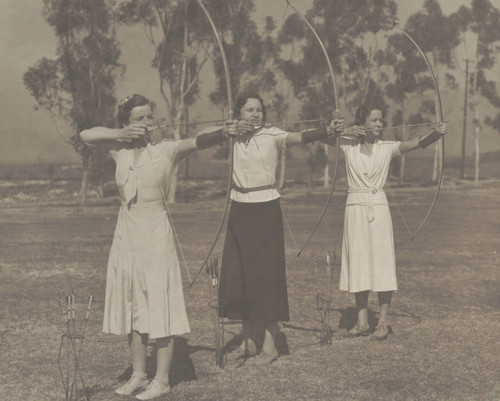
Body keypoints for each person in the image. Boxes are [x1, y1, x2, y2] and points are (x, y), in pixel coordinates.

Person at [80, 94, 237, 399]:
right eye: (139, 118)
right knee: (133, 303)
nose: (147, 123)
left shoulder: (166, 150)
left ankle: (162, 380)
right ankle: (139, 375)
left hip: (155, 233)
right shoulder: (118, 149)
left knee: (159, 305)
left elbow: (199, 141)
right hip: (126, 233)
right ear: (126, 123)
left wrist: (225, 131)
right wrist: (120, 135)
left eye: (149, 117)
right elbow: (85, 135)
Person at [218, 92, 342, 365]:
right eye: (249, 110)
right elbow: (204, 136)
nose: (255, 115)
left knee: (267, 275)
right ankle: (249, 341)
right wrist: (226, 128)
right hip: (239, 207)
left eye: (259, 110)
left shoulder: (271, 134)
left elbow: (298, 136)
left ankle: (270, 347)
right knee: (242, 274)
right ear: (238, 113)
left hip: (265, 209)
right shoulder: (231, 135)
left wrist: (326, 130)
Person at [325, 103, 448, 341]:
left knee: (381, 263)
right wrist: (347, 129)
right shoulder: (349, 145)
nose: (379, 124)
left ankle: (382, 322)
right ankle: (362, 323)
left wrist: (436, 134)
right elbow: (327, 138)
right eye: (374, 120)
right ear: (362, 123)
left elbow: (416, 144)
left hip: (378, 206)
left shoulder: (387, 148)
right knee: (359, 263)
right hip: (355, 207)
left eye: (381, 120)